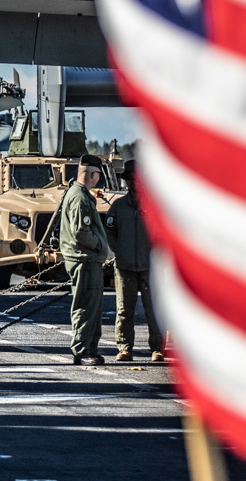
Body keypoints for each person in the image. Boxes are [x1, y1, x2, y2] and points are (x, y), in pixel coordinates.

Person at [105, 160, 165, 362]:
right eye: (131, 180)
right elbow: (110, 232)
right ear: (127, 182)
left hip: (150, 267)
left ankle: (157, 348)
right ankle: (124, 347)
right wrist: (119, 251)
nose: (136, 183)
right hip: (125, 267)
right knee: (124, 309)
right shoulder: (118, 206)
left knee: (154, 310)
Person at [59, 154, 112, 365]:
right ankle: (82, 351)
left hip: (88, 259)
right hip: (84, 259)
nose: (99, 178)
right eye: (98, 174)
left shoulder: (79, 193)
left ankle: (89, 348)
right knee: (85, 306)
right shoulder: (80, 196)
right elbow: (80, 230)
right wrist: (101, 246)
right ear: (91, 174)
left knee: (93, 307)